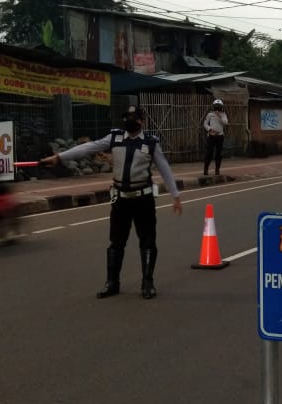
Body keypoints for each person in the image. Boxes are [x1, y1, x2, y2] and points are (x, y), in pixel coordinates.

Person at [40, 105, 182, 300]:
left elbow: (164, 167)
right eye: (126, 118)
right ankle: (112, 282)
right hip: (120, 199)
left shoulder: (151, 142)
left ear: (142, 122)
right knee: (116, 242)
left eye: (133, 118)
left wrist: (175, 195)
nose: (129, 121)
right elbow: (87, 148)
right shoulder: (114, 138)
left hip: (143, 199)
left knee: (147, 242)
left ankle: (147, 283)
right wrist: (59, 157)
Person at [203, 99, 228, 176]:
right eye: (216, 107)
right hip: (211, 136)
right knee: (209, 153)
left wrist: (220, 116)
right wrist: (210, 129)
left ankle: (217, 169)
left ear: (221, 107)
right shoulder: (210, 114)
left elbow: (225, 123)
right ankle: (206, 169)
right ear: (213, 107)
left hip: (220, 136)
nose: (217, 109)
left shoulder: (223, 115)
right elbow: (205, 124)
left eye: (219, 107)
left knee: (219, 154)